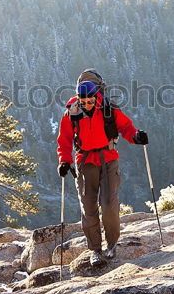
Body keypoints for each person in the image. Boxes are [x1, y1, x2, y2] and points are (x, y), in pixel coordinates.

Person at [56, 79, 148, 266]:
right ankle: (95, 250)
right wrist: (64, 161)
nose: (87, 104)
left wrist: (136, 136)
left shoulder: (107, 108)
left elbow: (125, 127)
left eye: (90, 101)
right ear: (78, 98)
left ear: (95, 96)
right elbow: (64, 139)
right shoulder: (72, 112)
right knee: (88, 207)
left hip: (108, 158)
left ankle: (112, 244)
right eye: (83, 102)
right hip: (84, 161)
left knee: (108, 203)